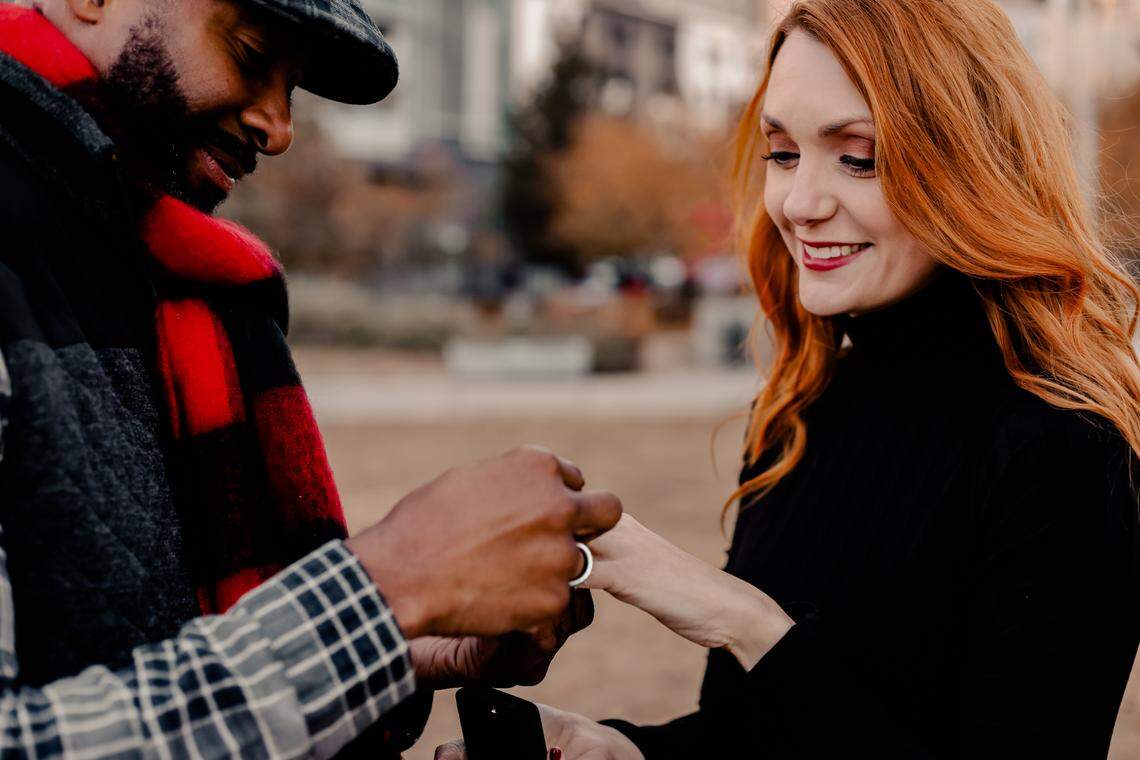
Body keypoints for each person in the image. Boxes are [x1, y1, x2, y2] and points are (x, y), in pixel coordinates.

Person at [437, 0, 1140, 757]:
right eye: (782, 152)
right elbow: (758, 734)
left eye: (857, 157)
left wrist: (744, 623)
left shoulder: (1070, 449)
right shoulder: (800, 417)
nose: (800, 203)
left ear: (968, 164)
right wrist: (624, 750)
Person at [0, 0, 621, 756]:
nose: (279, 129)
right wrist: (384, 595)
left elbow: (137, 654)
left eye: (290, 90)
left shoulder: (140, 272)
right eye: (253, 54)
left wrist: (404, 649)